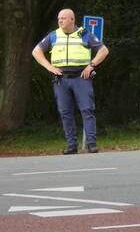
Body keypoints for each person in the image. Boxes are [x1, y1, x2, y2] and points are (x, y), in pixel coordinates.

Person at [30, 9, 109, 154]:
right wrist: (49, 67)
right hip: (61, 79)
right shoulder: (54, 35)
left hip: (81, 77)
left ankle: (91, 144)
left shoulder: (83, 33)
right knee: (65, 112)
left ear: (72, 19)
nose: (60, 21)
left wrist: (91, 66)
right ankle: (72, 145)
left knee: (87, 109)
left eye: (63, 18)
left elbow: (103, 50)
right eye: (59, 18)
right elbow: (36, 51)